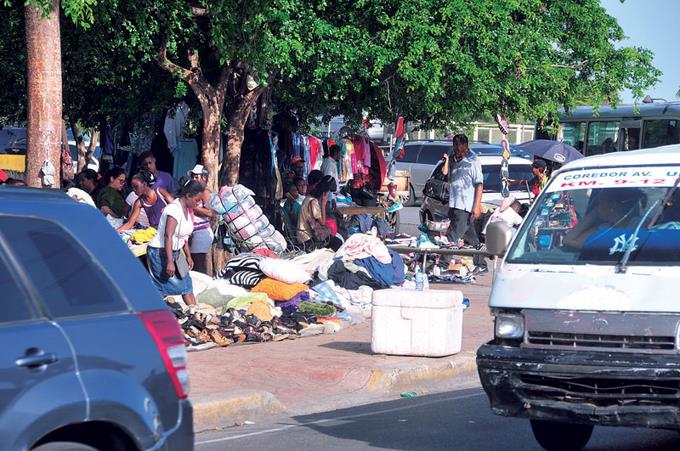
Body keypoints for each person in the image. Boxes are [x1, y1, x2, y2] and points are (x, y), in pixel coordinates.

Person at [146, 180, 205, 306]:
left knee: (187, 285)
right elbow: (168, 236)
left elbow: (183, 237)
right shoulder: (174, 209)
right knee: (162, 287)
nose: (199, 203)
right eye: (197, 199)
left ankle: (195, 313)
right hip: (160, 252)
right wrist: (170, 261)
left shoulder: (188, 210)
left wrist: (188, 256)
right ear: (188, 196)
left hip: (176, 252)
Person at [441, 133, 487, 274]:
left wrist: (476, 206)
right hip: (454, 203)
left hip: (464, 205)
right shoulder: (455, 159)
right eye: (454, 145)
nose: (455, 148)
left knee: (452, 236)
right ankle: (481, 264)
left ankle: (443, 264)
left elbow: (479, 184)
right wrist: (448, 160)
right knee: (472, 238)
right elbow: (445, 173)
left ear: (465, 145)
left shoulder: (473, 161)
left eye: (458, 146)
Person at [563, 188, 643, 250]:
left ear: (613, 206)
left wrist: (593, 215)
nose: (597, 207)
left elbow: (569, 240)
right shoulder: (602, 229)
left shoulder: (640, 226)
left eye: (600, 203)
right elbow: (568, 241)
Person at [297, 175, 343, 252]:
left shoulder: (309, 197)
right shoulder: (313, 201)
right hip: (307, 237)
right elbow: (322, 222)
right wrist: (323, 204)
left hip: (306, 233)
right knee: (337, 243)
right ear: (325, 193)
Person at [187, 164, 214, 274]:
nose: (193, 179)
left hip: (201, 233)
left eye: (196, 177)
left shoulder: (205, 192)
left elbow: (210, 213)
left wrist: (194, 207)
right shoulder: (195, 191)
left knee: (198, 266)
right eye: (193, 176)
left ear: (204, 178)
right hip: (194, 232)